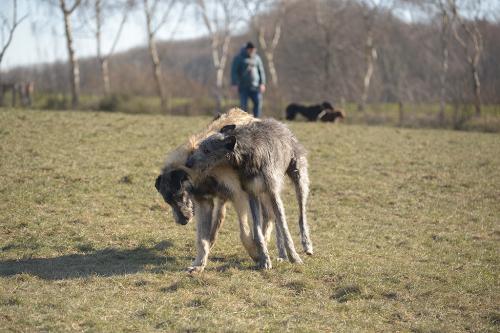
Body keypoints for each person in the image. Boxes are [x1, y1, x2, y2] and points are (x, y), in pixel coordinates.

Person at [230, 42, 266, 118]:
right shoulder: (239, 58)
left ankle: (257, 120)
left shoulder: (257, 58)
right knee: (244, 105)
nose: (252, 52)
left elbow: (261, 71)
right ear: (247, 49)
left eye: (254, 51)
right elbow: (234, 71)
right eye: (251, 50)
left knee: (258, 102)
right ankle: (244, 121)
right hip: (243, 86)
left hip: (255, 86)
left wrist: (262, 83)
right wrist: (234, 83)